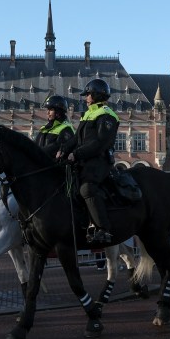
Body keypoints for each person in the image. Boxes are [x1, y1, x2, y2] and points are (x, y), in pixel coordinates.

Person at [57, 78, 120, 246]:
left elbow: (100, 143)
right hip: (85, 159)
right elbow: (77, 138)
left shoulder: (107, 115)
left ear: (97, 95)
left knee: (87, 188)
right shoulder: (89, 113)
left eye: (88, 95)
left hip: (99, 161)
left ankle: (103, 229)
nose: (86, 98)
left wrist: (76, 154)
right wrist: (63, 149)